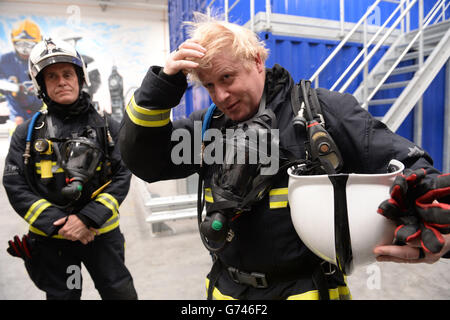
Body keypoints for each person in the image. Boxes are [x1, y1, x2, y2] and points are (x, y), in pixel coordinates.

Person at [118, 13, 449, 300]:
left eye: (227, 78)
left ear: (257, 61)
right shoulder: (208, 129)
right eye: (209, 86)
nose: (220, 96)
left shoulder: (321, 114)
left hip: (306, 289)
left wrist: (439, 225)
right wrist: (160, 89)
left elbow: (408, 165)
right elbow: (144, 159)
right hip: (224, 289)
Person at [3, 38, 138, 300]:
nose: (61, 81)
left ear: (80, 78)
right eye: (51, 76)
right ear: (41, 85)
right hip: (53, 241)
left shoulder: (107, 127)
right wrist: (61, 224)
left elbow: (123, 174)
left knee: (119, 292)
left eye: (67, 73)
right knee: (63, 297)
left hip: (99, 235)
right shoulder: (27, 134)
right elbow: (15, 184)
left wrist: (87, 219)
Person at [0, 19, 43, 126]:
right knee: (18, 136)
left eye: (29, 45)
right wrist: (17, 115)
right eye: (20, 44)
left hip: (40, 109)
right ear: (13, 41)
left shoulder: (41, 60)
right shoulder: (4, 61)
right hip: (16, 110)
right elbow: (5, 89)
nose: (24, 50)